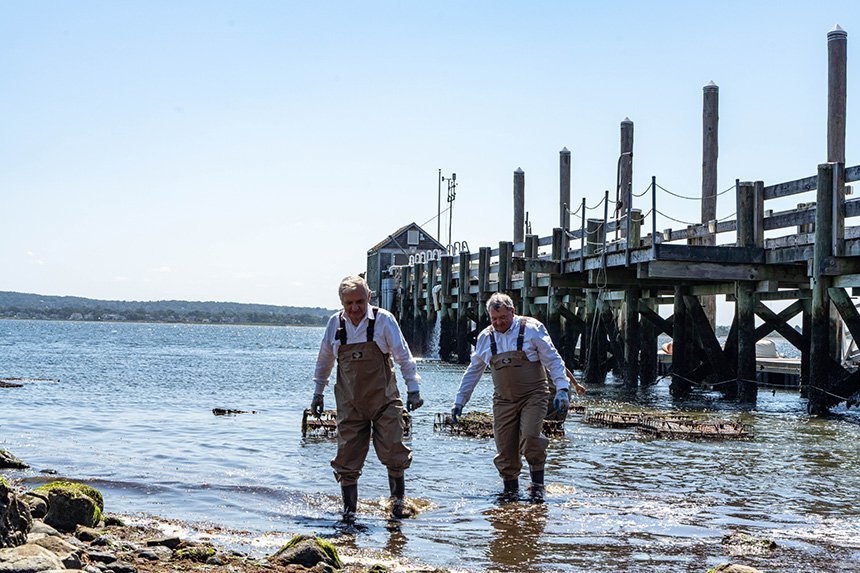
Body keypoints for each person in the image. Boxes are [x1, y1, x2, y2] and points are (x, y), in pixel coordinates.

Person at [451, 292, 584, 501]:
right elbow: (473, 371)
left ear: (512, 312)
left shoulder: (532, 329)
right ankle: (510, 491)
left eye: (503, 318)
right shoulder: (486, 337)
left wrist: (562, 389)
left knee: (530, 438)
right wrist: (460, 401)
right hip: (503, 400)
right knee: (505, 449)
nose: (498, 323)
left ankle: (537, 486)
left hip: (535, 395)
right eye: (494, 319)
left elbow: (553, 360)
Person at [311, 275, 424, 520]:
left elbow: (404, 356)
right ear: (341, 302)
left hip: (384, 401)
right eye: (349, 303)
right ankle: (349, 513)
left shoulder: (384, 321)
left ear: (369, 297)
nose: (355, 308)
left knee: (394, 453)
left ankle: (398, 506)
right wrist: (318, 393)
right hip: (349, 404)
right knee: (347, 459)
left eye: (359, 302)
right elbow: (324, 361)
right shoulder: (335, 324)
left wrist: (413, 389)